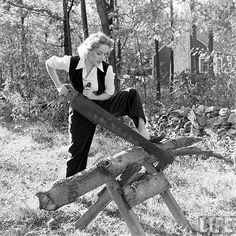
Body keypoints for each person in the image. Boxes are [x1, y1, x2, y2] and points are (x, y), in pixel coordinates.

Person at [45, 32, 151, 178]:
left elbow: (109, 93)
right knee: (77, 151)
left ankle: (143, 131)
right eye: (99, 53)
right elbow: (49, 63)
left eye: (105, 54)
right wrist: (58, 86)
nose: (102, 58)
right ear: (88, 50)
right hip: (80, 111)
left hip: (102, 107)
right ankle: (72, 187)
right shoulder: (71, 62)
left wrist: (95, 96)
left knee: (131, 94)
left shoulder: (107, 69)